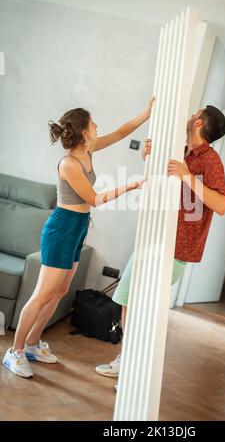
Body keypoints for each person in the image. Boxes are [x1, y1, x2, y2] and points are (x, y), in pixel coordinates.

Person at [2, 98, 155, 378]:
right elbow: (94, 198)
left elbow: (121, 132)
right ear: (84, 131)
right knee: (42, 294)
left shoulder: (89, 149)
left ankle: (33, 344)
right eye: (93, 122)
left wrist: (147, 113)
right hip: (62, 228)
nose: (97, 125)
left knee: (59, 292)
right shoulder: (69, 163)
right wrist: (132, 185)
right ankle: (15, 352)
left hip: (78, 226)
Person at [95, 105, 225, 389]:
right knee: (128, 300)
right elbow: (159, 182)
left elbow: (221, 205)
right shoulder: (180, 151)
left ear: (199, 122)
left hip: (175, 250)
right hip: (151, 238)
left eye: (195, 111)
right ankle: (127, 361)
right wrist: (150, 156)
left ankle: (135, 371)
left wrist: (187, 176)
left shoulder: (210, 161)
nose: (189, 114)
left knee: (145, 308)